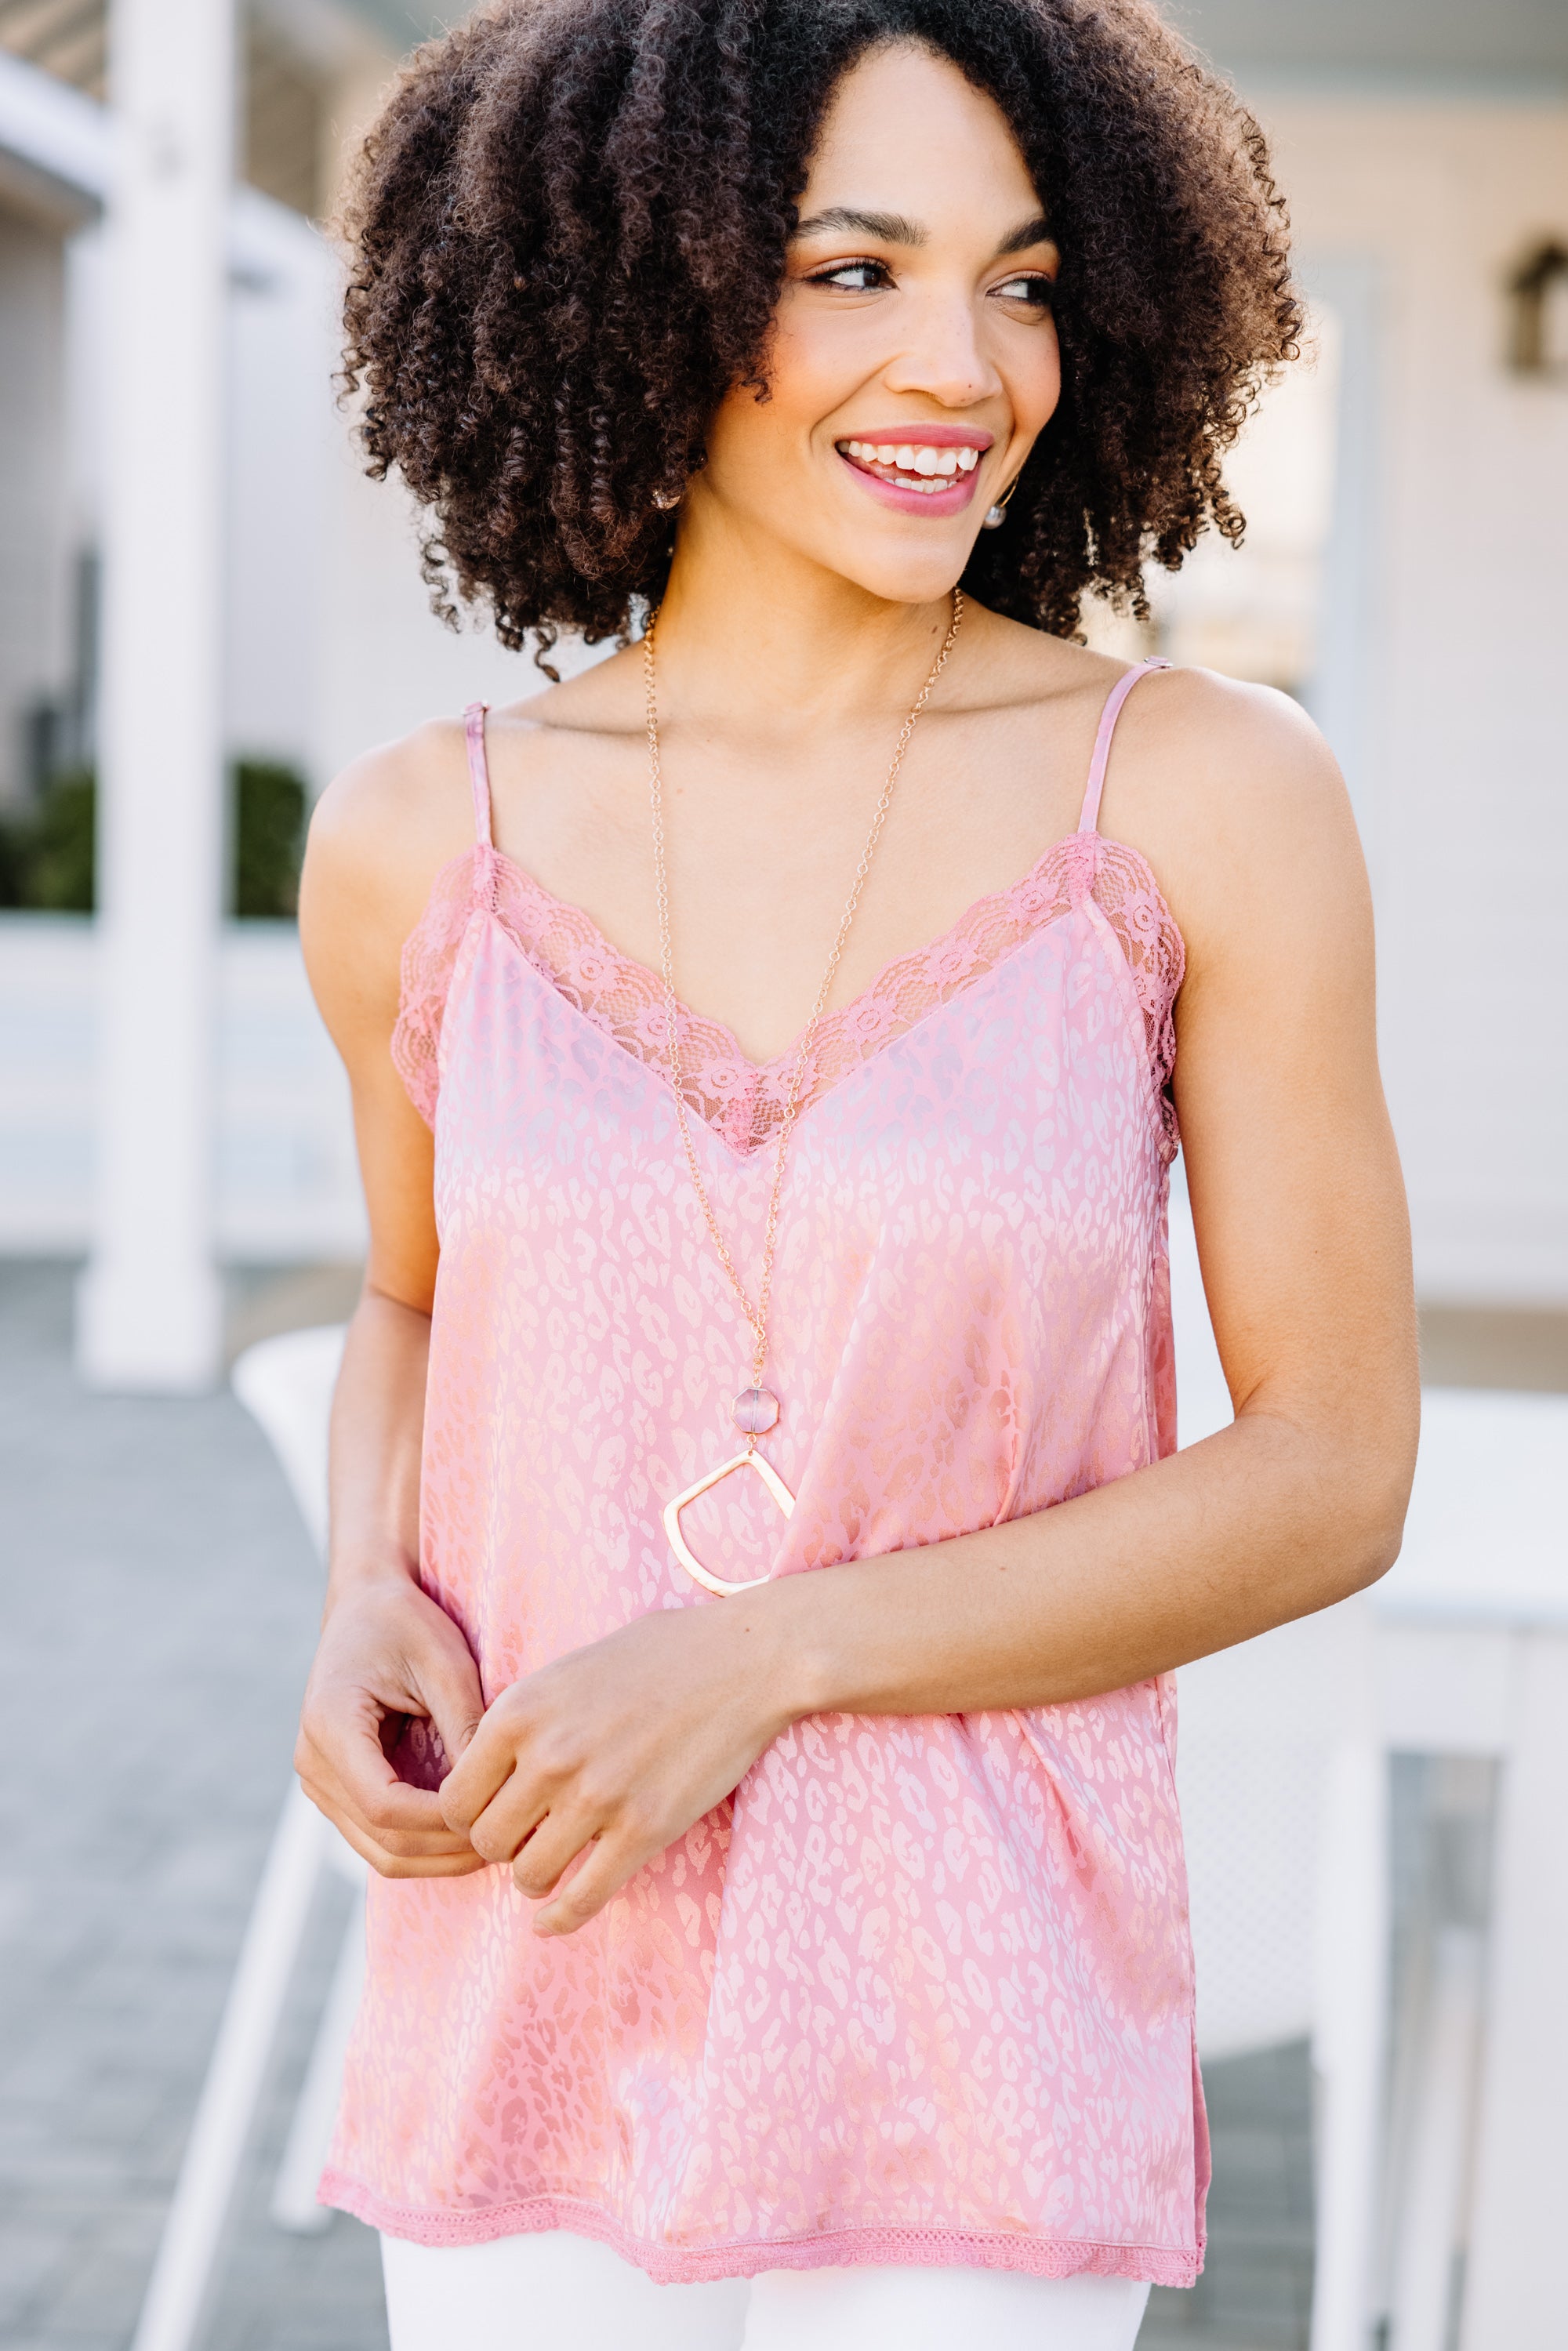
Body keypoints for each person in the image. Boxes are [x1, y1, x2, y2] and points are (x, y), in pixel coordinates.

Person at [296, 3, 1418, 2345]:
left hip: (974, 2038)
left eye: (1019, 280)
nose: (966, 363)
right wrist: (356, 1597)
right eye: (856, 269)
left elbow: (1331, 1467)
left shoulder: (1201, 797)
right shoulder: (428, 840)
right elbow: (409, 1299)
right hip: (534, 1962)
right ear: (635, 285)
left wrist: (771, 1661)